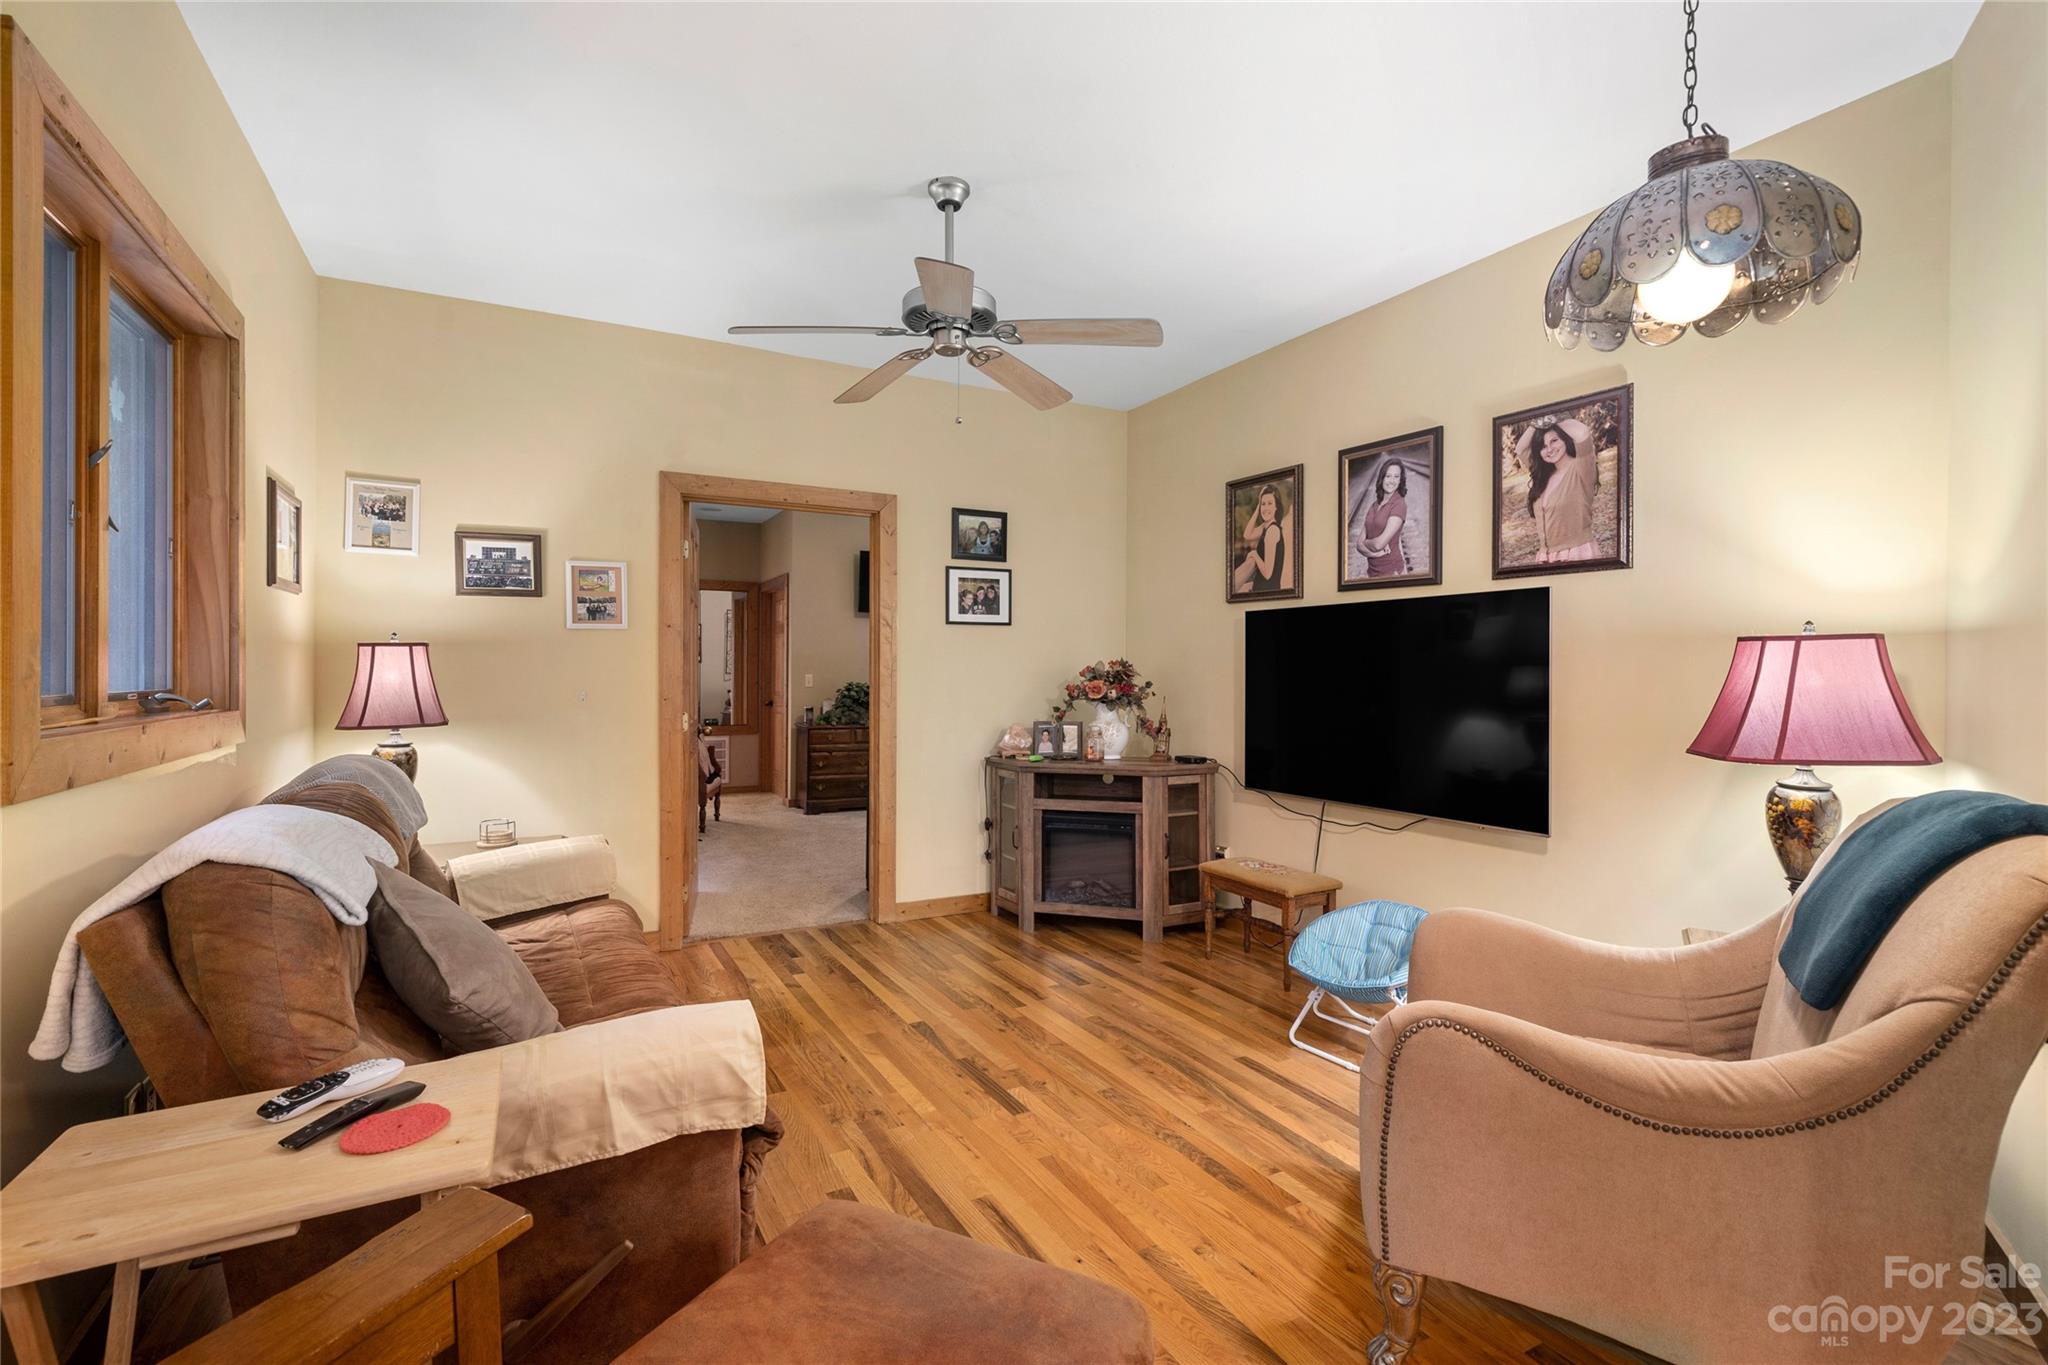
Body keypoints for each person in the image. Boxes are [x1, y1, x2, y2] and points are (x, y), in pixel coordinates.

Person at [1519, 419, 1599, 562]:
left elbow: (1582, 433)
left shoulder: (1581, 468)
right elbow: (1521, 449)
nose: (1549, 449)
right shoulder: (1543, 474)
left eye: (1554, 441)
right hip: (1546, 558)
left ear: (1565, 440)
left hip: (1577, 554)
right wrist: (1536, 423)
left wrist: (1553, 421)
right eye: (1543, 446)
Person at [1355, 459, 1411, 578]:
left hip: (1392, 571)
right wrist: (1375, 554)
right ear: (1382, 478)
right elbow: (1358, 546)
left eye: (1396, 476)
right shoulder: (1374, 505)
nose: (1392, 481)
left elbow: (1377, 544)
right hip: (1372, 572)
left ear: (1400, 480)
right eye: (1388, 476)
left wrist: (1366, 543)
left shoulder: (1399, 504)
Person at [1231, 483, 1289, 595]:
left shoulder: (1272, 531)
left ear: (1276, 506)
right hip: (1264, 590)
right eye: (1263, 504)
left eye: (1270, 503)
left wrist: (1254, 554)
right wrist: (1258, 507)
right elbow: (1247, 535)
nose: (1266, 508)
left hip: (1266, 592)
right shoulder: (1266, 526)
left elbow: (1267, 573)